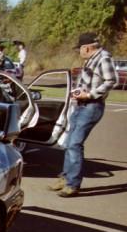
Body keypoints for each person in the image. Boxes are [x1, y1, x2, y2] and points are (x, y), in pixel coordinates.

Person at [47, 32, 117, 198]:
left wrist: (90, 95)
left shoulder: (103, 58)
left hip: (91, 107)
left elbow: (112, 80)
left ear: (86, 47)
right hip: (81, 106)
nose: (78, 51)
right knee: (69, 143)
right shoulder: (91, 59)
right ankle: (65, 178)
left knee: (75, 144)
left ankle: (73, 184)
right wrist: (78, 92)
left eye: (79, 48)